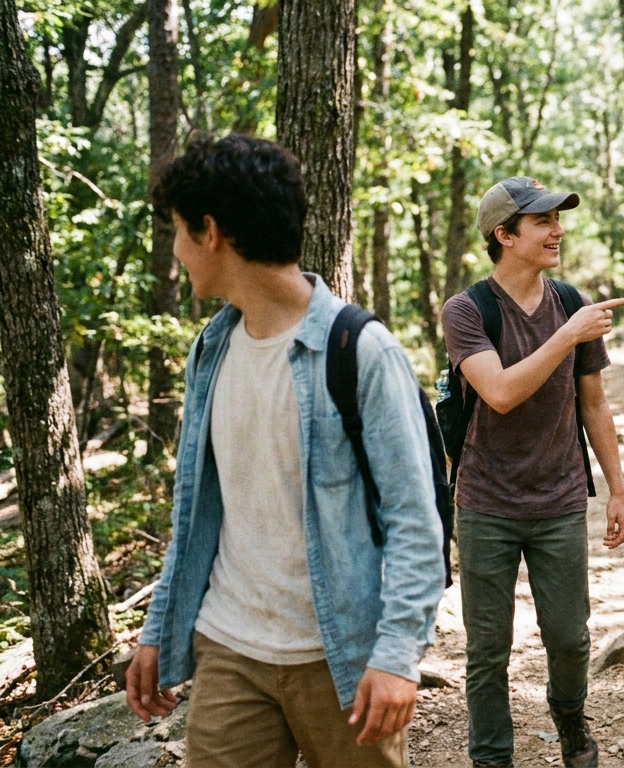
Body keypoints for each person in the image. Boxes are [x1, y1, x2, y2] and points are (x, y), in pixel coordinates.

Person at [124, 134, 445, 768]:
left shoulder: (362, 351)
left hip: (342, 658)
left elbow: (415, 519)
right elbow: (193, 512)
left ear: (211, 231)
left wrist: (397, 655)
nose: (176, 252)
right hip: (229, 652)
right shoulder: (209, 353)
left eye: (178, 233)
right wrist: (160, 630)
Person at [441, 176, 624, 768]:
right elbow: (499, 392)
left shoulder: (570, 301)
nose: (558, 231)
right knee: (488, 651)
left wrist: (617, 489)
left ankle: (570, 722)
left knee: (571, 638)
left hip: (559, 499)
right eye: (543, 222)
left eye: (558, 219)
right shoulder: (467, 310)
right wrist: (567, 335)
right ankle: (491, 758)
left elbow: (592, 402)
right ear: (505, 235)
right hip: (485, 504)